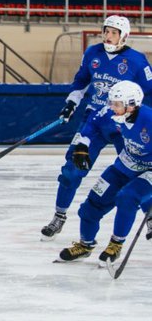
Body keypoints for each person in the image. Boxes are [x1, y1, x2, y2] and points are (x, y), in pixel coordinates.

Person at [40, 15, 152, 240]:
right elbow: (81, 81)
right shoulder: (92, 53)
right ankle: (59, 215)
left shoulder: (138, 61)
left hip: (124, 125)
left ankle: (149, 215)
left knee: (136, 168)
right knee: (72, 170)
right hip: (95, 122)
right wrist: (71, 103)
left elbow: (149, 94)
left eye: (113, 32)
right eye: (106, 31)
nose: (108, 36)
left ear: (124, 36)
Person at [57, 81, 152, 264]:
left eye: (116, 104)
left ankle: (115, 244)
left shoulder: (149, 119)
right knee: (89, 208)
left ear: (131, 105)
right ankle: (85, 245)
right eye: (111, 102)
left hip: (149, 170)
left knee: (127, 197)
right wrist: (82, 146)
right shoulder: (111, 113)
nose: (111, 107)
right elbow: (93, 122)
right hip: (124, 166)